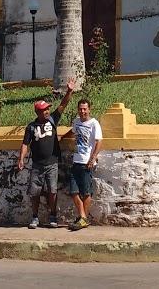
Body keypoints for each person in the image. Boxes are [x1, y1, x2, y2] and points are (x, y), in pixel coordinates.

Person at [17, 80, 75, 229]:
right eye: (44, 110)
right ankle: (35, 217)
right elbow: (25, 144)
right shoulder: (31, 127)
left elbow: (62, 105)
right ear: (38, 112)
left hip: (52, 163)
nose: (47, 111)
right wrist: (21, 159)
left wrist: (69, 92)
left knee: (52, 191)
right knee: (35, 192)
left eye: (48, 109)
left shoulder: (53, 120)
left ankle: (53, 215)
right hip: (37, 165)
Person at [65, 98, 102, 230]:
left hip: (87, 162)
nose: (82, 111)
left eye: (85, 109)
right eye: (80, 109)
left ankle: (83, 218)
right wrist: (62, 137)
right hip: (76, 160)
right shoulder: (76, 122)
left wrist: (92, 159)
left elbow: (98, 142)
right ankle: (83, 217)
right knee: (73, 191)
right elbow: (73, 132)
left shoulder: (94, 124)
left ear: (89, 109)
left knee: (86, 192)